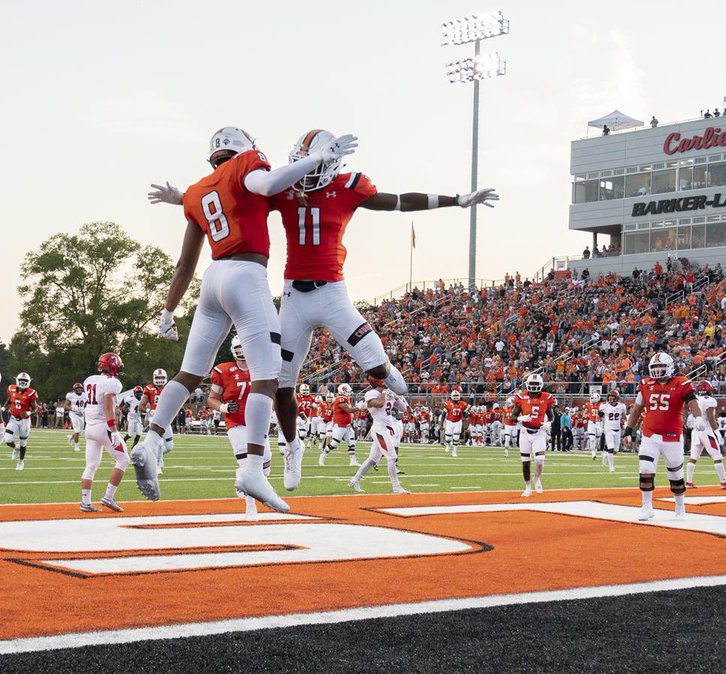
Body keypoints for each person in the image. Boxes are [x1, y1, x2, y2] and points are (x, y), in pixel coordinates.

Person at [152, 130, 498, 491]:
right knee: (280, 384)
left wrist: (458, 200)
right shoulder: (283, 186)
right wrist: (183, 200)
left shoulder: (349, 186)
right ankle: (292, 446)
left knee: (379, 368)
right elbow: (230, 199)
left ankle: (385, 366)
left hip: (332, 292)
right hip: (293, 297)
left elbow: (398, 201)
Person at [135, 127, 358, 510]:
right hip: (246, 275)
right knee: (268, 379)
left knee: (189, 374)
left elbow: (185, 263)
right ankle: (253, 468)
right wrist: (319, 158)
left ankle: (152, 440)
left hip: (212, 280)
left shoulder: (199, 189)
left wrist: (168, 312)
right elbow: (267, 183)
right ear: (244, 149)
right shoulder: (247, 164)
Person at [622, 352, 706, 521]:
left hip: (672, 436)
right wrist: (628, 430)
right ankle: (646, 506)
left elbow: (692, 401)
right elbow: (637, 409)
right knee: (645, 469)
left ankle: (680, 505)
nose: (658, 371)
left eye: (661, 367)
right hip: (650, 435)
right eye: (655, 367)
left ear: (670, 367)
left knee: (675, 474)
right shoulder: (645, 384)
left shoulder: (681, 383)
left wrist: (698, 417)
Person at [207, 335, 271, 521]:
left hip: (257, 423)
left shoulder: (260, 368)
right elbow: (211, 399)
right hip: (235, 423)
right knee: (248, 465)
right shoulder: (223, 370)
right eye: (239, 347)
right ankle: (250, 508)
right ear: (233, 349)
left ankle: (241, 478)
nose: (242, 351)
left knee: (266, 464)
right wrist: (224, 408)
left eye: (245, 347)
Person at [77, 353, 130, 512]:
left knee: (91, 465)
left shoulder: (90, 380)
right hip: (103, 426)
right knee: (123, 459)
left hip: (90, 428)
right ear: (113, 366)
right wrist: (113, 431)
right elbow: (108, 406)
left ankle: (85, 503)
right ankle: (108, 496)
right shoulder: (111, 383)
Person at [349, 377, 410, 494]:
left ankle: (354, 480)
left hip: (387, 429)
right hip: (379, 429)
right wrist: (384, 394)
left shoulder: (389, 392)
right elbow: (379, 404)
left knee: (372, 459)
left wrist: (397, 397)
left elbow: (404, 409)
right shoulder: (371, 393)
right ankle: (396, 487)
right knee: (392, 457)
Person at [684, 381, 726, 490]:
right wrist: (718, 433)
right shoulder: (710, 400)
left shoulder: (695, 399)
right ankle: (724, 482)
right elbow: (710, 417)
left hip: (696, 430)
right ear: (708, 389)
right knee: (717, 456)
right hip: (706, 430)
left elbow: (686, 407)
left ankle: (688, 482)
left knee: (693, 458)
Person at [511, 373, 556, 496]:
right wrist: (520, 419)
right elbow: (513, 416)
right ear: (527, 385)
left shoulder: (546, 398)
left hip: (539, 432)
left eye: (536, 385)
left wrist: (548, 423)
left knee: (539, 461)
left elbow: (552, 416)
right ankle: (528, 487)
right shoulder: (521, 397)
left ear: (541, 385)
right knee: (525, 461)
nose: (534, 387)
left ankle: (536, 478)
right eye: (532, 384)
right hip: (525, 432)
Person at [319, 383, 358, 466]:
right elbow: (348, 410)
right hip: (340, 424)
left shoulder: (345, 398)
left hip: (347, 424)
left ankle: (353, 461)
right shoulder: (340, 398)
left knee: (352, 443)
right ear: (343, 391)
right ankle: (323, 455)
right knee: (335, 442)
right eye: (348, 391)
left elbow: (349, 412)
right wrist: (359, 407)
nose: (350, 392)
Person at [4, 372, 38, 470]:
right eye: (21, 381)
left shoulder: (31, 393)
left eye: (25, 381)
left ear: (28, 382)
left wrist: (29, 413)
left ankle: (21, 461)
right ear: (17, 381)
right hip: (14, 418)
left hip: (25, 421)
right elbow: (9, 401)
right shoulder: (12, 388)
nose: (23, 383)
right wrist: (3, 408)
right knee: (8, 440)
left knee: (23, 443)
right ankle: (15, 448)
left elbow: (35, 408)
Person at [598, 388, 626, 473]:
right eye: (609, 396)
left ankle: (605, 455)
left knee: (615, 450)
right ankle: (611, 467)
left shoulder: (621, 406)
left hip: (618, 430)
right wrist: (599, 426)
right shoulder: (604, 406)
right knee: (611, 448)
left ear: (616, 398)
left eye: (612, 397)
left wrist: (625, 421)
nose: (610, 398)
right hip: (608, 429)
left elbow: (624, 417)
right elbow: (599, 416)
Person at [443, 389, 467, 457]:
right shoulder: (447, 403)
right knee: (448, 438)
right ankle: (447, 444)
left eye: (457, 395)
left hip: (458, 422)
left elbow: (465, 415)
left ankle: (454, 451)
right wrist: (441, 424)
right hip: (449, 422)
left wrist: (467, 413)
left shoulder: (463, 404)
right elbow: (443, 414)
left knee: (456, 438)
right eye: (455, 395)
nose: (456, 397)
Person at [65, 382, 86, 453]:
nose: (79, 390)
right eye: (77, 389)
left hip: (81, 414)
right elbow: (65, 406)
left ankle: (71, 437)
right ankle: (77, 446)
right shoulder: (71, 395)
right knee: (77, 431)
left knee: (80, 432)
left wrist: (85, 409)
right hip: (74, 414)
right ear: (74, 389)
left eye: (80, 388)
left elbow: (87, 403)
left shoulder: (85, 395)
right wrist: (73, 409)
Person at [584, 392, 603, 460]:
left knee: (597, 441)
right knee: (592, 439)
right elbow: (585, 413)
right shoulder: (588, 404)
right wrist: (585, 418)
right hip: (591, 422)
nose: (592, 399)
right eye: (592, 398)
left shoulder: (601, 405)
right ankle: (593, 454)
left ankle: (595, 451)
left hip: (599, 423)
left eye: (594, 398)